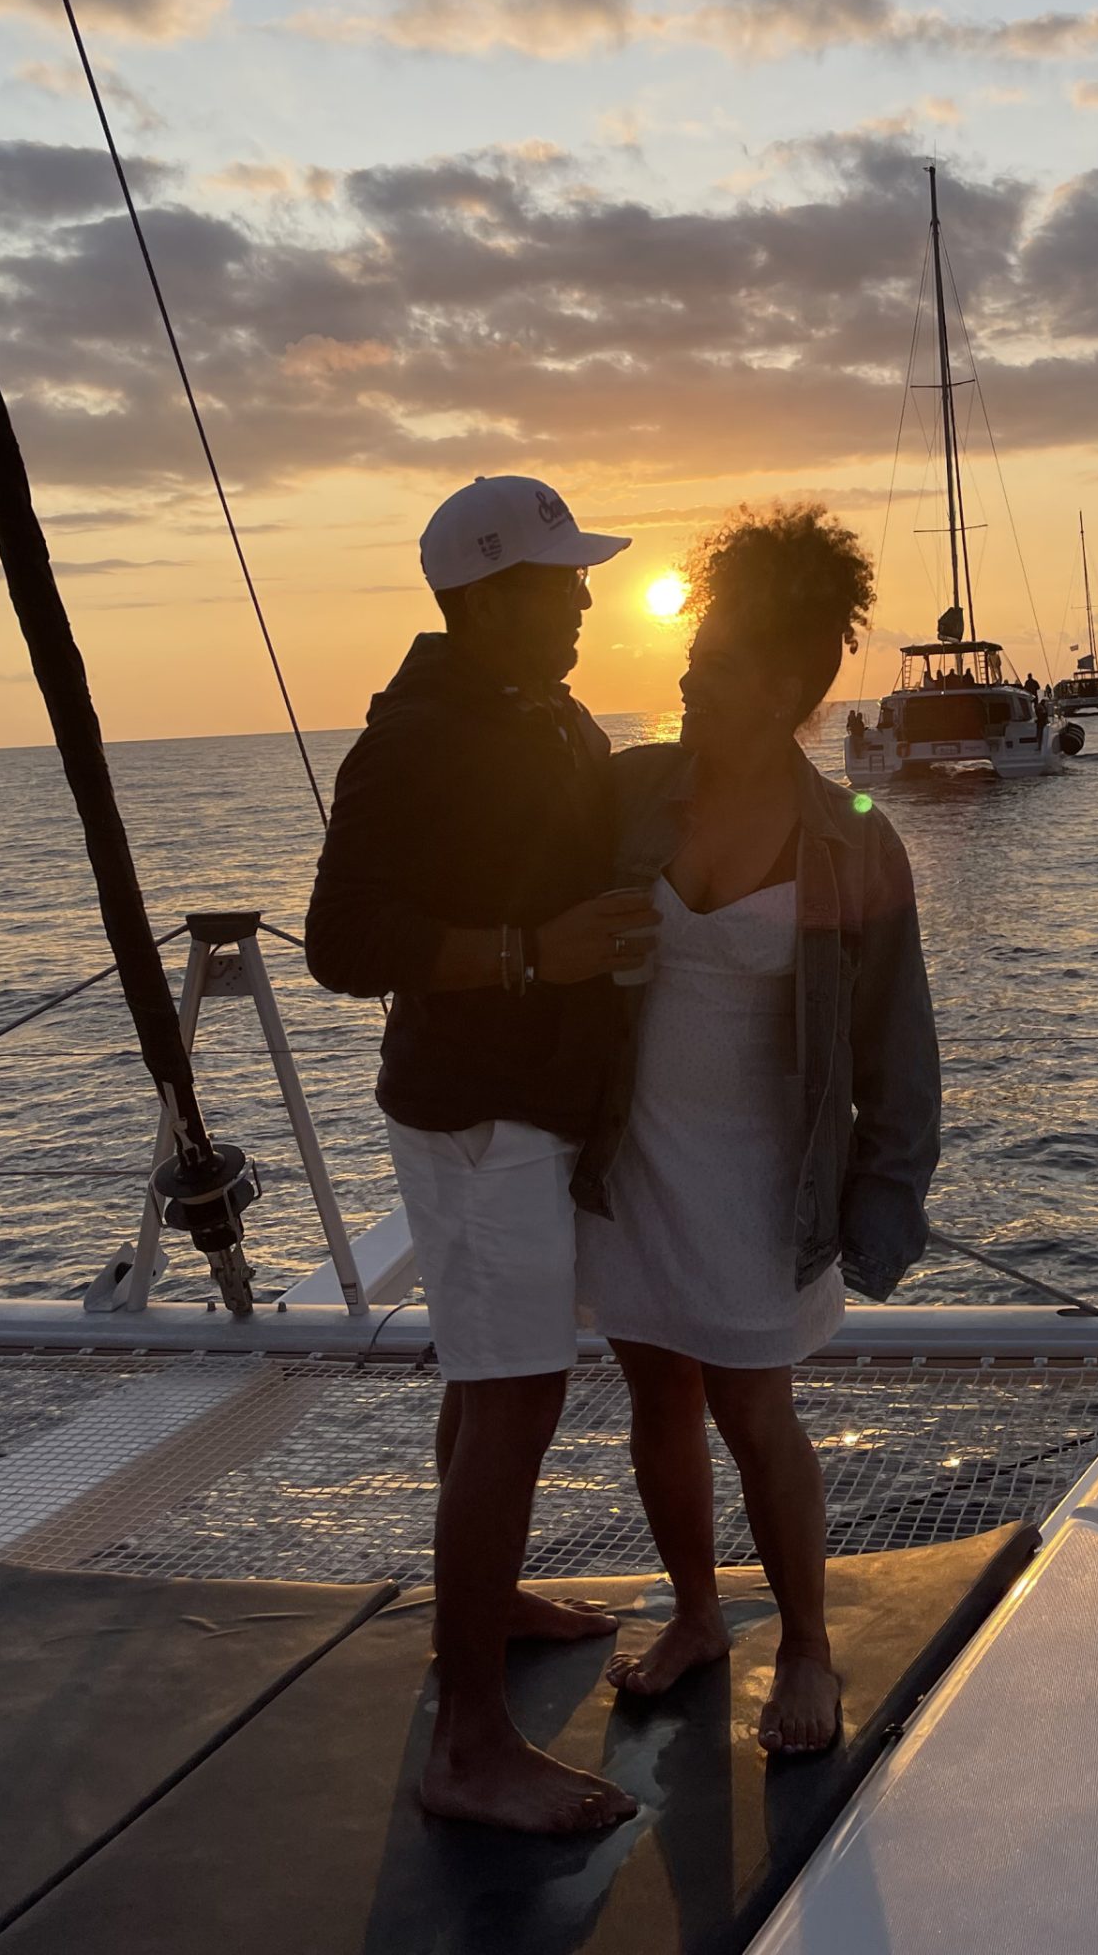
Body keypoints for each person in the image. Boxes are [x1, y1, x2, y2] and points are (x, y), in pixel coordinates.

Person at [305, 474, 658, 1836]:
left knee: (486, 1378)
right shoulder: (415, 742)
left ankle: (487, 1610)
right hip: (477, 1112)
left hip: (521, 1102)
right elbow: (342, 944)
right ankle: (466, 1744)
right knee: (514, 1398)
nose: (585, 597)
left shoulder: (541, 710)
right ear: (488, 593)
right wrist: (532, 956)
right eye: (561, 579)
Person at [574, 504, 941, 1754]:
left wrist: (886, 1193)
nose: (686, 671)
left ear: (785, 680)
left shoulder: (852, 839)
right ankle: (695, 1615)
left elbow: (900, 1044)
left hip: (763, 1177)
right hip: (630, 1157)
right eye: (692, 648)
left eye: (716, 657)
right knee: (655, 1396)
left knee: (756, 1411)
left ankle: (809, 1647)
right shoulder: (628, 795)